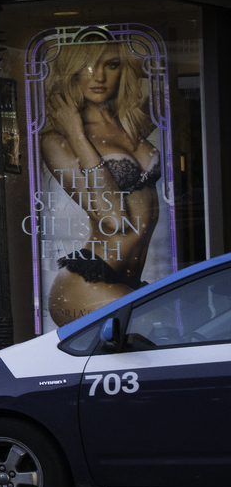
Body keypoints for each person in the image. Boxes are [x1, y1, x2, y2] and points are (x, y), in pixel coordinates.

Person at [36, 37, 166, 326]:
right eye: (87, 65)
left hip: (130, 279)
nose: (99, 76)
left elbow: (170, 83)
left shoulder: (132, 121)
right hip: (86, 284)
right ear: (72, 72)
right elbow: (112, 218)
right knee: (163, 329)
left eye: (112, 64)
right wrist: (78, 135)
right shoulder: (57, 140)